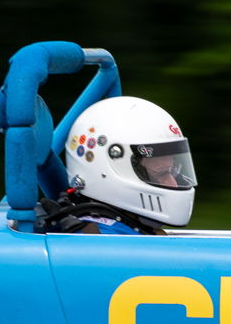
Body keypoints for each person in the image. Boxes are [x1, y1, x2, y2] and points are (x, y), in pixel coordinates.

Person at [43, 96, 196, 234]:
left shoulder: (126, 233)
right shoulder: (102, 243)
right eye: (162, 173)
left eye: (174, 171)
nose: (174, 183)